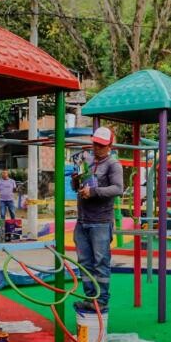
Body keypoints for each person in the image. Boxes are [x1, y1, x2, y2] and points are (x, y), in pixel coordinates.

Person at [71, 126, 124, 311]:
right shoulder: (87, 161)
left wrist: (93, 192)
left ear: (109, 146)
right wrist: (76, 181)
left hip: (100, 221)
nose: (97, 148)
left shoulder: (113, 164)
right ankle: (90, 297)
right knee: (84, 262)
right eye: (95, 144)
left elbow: (118, 188)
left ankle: (101, 300)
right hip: (83, 219)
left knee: (101, 262)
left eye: (101, 145)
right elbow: (77, 187)